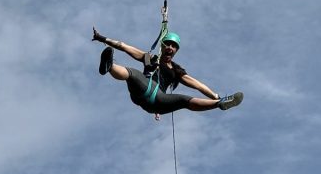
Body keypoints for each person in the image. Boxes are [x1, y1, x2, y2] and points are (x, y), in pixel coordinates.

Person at [92, 27, 243, 117]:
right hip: (144, 89)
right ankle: (109, 66)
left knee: (185, 100)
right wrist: (102, 38)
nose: (170, 47)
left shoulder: (176, 70)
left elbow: (198, 85)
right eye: (167, 44)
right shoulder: (150, 58)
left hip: (160, 101)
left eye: (174, 46)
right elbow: (124, 46)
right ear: (162, 46)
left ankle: (219, 103)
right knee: (132, 74)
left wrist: (215, 96)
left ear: (176, 50)